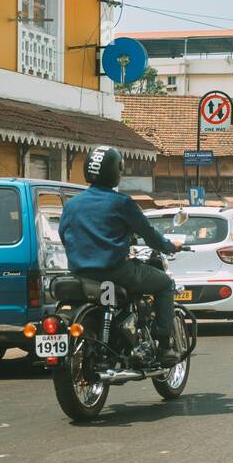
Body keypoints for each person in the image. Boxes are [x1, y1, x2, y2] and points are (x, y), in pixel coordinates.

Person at [59, 146, 185, 366]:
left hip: (81, 275)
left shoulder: (72, 204)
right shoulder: (122, 203)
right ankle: (165, 346)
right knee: (165, 283)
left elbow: (64, 234)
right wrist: (170, 246)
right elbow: (150, 235)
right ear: (116, 170)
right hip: (116, 272)